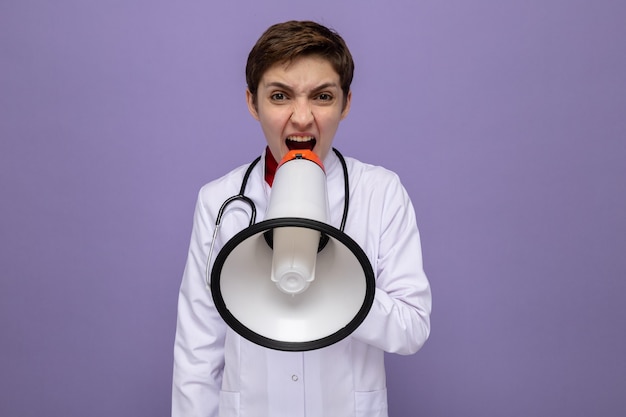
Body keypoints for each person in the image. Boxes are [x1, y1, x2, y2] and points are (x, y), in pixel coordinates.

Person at [172, 20, 432, 417]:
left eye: (322, 96)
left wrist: (341, 287)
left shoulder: (381, 192)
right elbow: (196, 352)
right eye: (280, 96)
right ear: (252, 102)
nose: (302, 117)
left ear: (345, 104)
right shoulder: (219, 201)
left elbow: (412, 328)